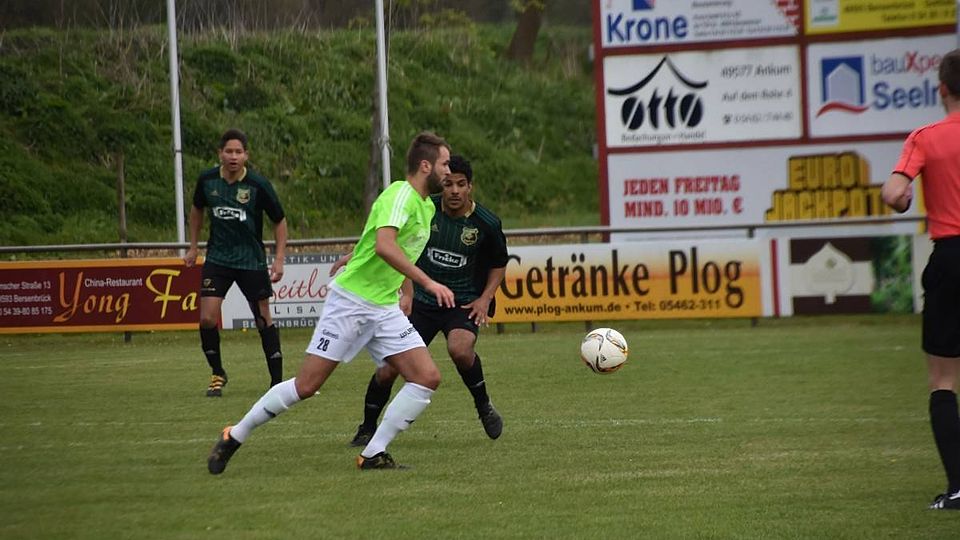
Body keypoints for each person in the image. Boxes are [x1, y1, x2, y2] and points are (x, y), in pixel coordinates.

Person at [207, 131, 454, 472]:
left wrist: (359, 256)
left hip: (384, 307)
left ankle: (373, 453)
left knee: (427, 376)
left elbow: (385, 243)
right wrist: (427, 282)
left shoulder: (426, 206)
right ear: (426, 165)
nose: (449, 171)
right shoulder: (401, 194)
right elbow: (385, 245)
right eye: (445, 164)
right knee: (307, 385)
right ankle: (235, 434)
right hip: (351, 302)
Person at [344, 154, 509, 446]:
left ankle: (483, 405)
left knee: (460, 349)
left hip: (461, 302)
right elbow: (390, 240)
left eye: (461, 184)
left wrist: (485, 298)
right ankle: (367, 427)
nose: (454, 191)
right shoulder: (424, 209)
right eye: (448, 184)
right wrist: (357, 256)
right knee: (389, 367)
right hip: (421, 300)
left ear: (470, 187)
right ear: (440, 185)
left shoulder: (486, 223)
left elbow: (499, 263)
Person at [881, 48, 960, 510]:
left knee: (943, 379)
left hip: (951, 257)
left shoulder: (926, 137)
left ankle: (959, 488)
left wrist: (904, 198)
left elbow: (894, 192)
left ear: (942, 88)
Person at [184, 128, 288, 397]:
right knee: (207, 318)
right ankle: (217, 373)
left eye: (238, 152)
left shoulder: (257, 185)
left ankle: (277, 383)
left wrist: (278, 259)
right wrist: (193, 247)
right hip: (218, 258)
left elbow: (279, 221)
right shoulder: (207, 181)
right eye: (228, 151)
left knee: (263, 318)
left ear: (246, 156)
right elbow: (196, 210)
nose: (233, 156)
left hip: (251, 260)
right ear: (220, 153)